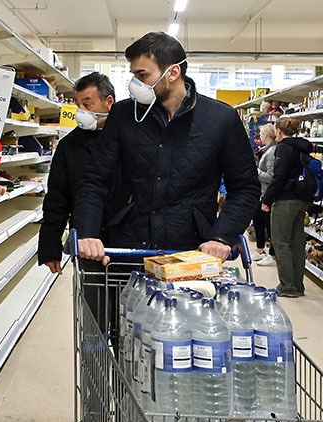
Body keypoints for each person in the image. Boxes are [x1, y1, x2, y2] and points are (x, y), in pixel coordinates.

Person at [73, 32, 260, 266]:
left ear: (173, 73)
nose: (136, 84)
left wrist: (222, 236)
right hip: (129, 247)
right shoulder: (123, 115)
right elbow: (94, 179)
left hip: (191, 250)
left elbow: (245, 187)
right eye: (134, 75)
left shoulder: (222, 119)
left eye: (143, 75)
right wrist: (88, 232)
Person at [38, 72, 116, 275]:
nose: (80, 111)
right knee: (93, 303)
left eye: (87, 104)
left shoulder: (129, 138)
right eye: (78, 104)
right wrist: (50, 247)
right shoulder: (69, 146)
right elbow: (57, 198)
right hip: (86, 243)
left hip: (126, 241)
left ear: (109, 102)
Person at [261, 116, 311, 297]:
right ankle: (298, 285)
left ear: (278, 131)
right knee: (297, 243)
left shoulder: (282, 148)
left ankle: (287, 285)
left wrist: (267, 199)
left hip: (284, 201)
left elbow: (279, 176)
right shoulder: (303, 146)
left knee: (281, 242)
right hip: (301, 200)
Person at [254, 123, 278, 265]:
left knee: (269, 225)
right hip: (261, 193)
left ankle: (272, 255)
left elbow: (270, 176)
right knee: (258, 220)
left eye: (262, 134)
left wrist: (255, 170)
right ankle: (260, 249)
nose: (260, 137)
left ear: (267, 135)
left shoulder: (271, 152)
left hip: (268, 194)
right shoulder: (264, 150)